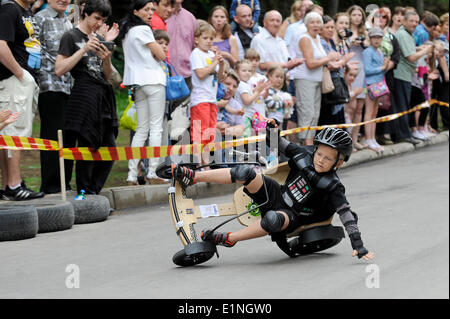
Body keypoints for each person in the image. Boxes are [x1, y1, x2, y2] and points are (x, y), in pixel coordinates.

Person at [171, 124, 374, 261]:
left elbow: (346, 215)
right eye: (319, 153)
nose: (320, 160)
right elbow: (279, 144)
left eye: (328, 158)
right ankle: (193, 176)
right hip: (277, 195)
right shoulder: (305, 155)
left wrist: (358, 243)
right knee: (246, 172)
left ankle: (230, 238)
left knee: (272, 219)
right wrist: (273, 129)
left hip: (293, 216)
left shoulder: (333, 186)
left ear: (339, 162)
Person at [55, 0, 117, 195]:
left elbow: (106, 75)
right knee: (87, 147)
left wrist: (106, 58)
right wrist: (83, 49)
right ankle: (84, 192)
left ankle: (94, 191)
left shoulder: (98, 37)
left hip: (103, 95)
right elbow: (59, 69)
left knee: (110, 149)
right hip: (82, 95)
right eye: (96, 18)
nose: (99, 23)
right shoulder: (71, 36)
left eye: (103, 19)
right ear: (85, 13)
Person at [118, 0, 167, 185]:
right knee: (156, 128)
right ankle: (153, 172)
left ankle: (132, 175)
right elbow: (161, 55)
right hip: (153, 80)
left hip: (137, 82)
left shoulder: (126, 31)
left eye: (152, 10)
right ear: (136, 11)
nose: (150, 13)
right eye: (146, 10)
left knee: (141, 130)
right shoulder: (144, 30)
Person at [0, 0, 44, 201]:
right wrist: (20, 73)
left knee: (15, 133)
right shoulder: (9, 9)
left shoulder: (25, 11)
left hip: (23, 80)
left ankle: (9, 185)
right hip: (13, 81)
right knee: (14, 132)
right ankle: (14, 185)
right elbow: (1, 46)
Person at [34, 0, 73, 194]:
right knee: (51, 135)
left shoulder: (68, 21)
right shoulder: (39, 18)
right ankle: (50, 185)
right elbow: (32, 50)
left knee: (67, 136)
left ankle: (65, 183)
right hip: (49, 84)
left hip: (69, 85)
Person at [291, 12, 340, 146]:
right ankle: (307, 144)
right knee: (307, 112)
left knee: (315, 113)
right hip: (305, 79)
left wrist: (337, 61)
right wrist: (329, 58)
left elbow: (322, 61)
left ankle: (309, 143)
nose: (316, 25)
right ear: (306, 24)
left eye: (318, 22)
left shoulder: (317, 38)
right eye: (312, 22)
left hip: (317, 80)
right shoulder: (305, 38)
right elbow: (311, 63)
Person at [391, 11, 433, 144]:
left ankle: (406, 133)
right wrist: (426, 50)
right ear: (404, 21)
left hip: (406, 76)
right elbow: (411, 57)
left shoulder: (408, 34)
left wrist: (419, 48)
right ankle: (403, 135)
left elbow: (409, 50)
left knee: (406, 105)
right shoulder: (403, 34)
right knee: (402, 106)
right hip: (400, 75)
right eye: (411, 21)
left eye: (416, 21)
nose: (414, 24)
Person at [189, 23, 225, 166]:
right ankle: (198, 164)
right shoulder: (196, 54)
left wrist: (221, 64)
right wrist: (215, 62)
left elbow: (220, 78)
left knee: (209, 133)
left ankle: (206, 164)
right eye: (205, 38)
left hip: (211, 99)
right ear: (196, 39)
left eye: (211, 38)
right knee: (199, 132)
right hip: (200, 99)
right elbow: (201, 73)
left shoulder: (211, 55)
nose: (209, 41)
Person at [318, 14, 354, 126]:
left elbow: (336, 61)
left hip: (336, 82)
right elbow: (327, 65)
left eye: (332, 27)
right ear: (320, 29)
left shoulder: (331, 42)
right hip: (327, 84)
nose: (330, 30)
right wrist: (343, 61)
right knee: (327, 116)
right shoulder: (321, 42)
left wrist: (344, 63)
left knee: (336, 116)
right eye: (327, 27)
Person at [362, 27, 390, 153]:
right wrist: (382, 67)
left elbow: (381, 69)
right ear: (370, 38)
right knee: (369, 112)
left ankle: (372, 138)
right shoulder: (368, 51)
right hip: (370, 85)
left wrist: (384, 67)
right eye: (374, 37)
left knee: (374, 113)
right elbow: (367, 70)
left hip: (378, 85)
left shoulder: (379, 51)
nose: (377, 39)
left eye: (379, 37)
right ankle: (368, 139)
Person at [345, 5, 369, 151]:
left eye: (359, 15)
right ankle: (347, 140)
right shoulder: (345, 31)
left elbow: (370, 47)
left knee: (359, 108)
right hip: (349, 68)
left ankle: (355, 139)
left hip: (362, 69)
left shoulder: (364, 32)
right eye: (354, 15)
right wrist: (351, 42)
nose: (356, 18)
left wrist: (364, 43)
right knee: (349, 107)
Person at [234, 59, 269, 136]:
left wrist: (258, 88)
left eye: (250, 71)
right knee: (245, 140)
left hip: (247, 116)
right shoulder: (242, 85)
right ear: (237, 71)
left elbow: (250, 93)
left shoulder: (245, 84)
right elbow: (247, 101)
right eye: (244, 70)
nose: (247, 73)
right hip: (243, 118)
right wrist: (258, 91)